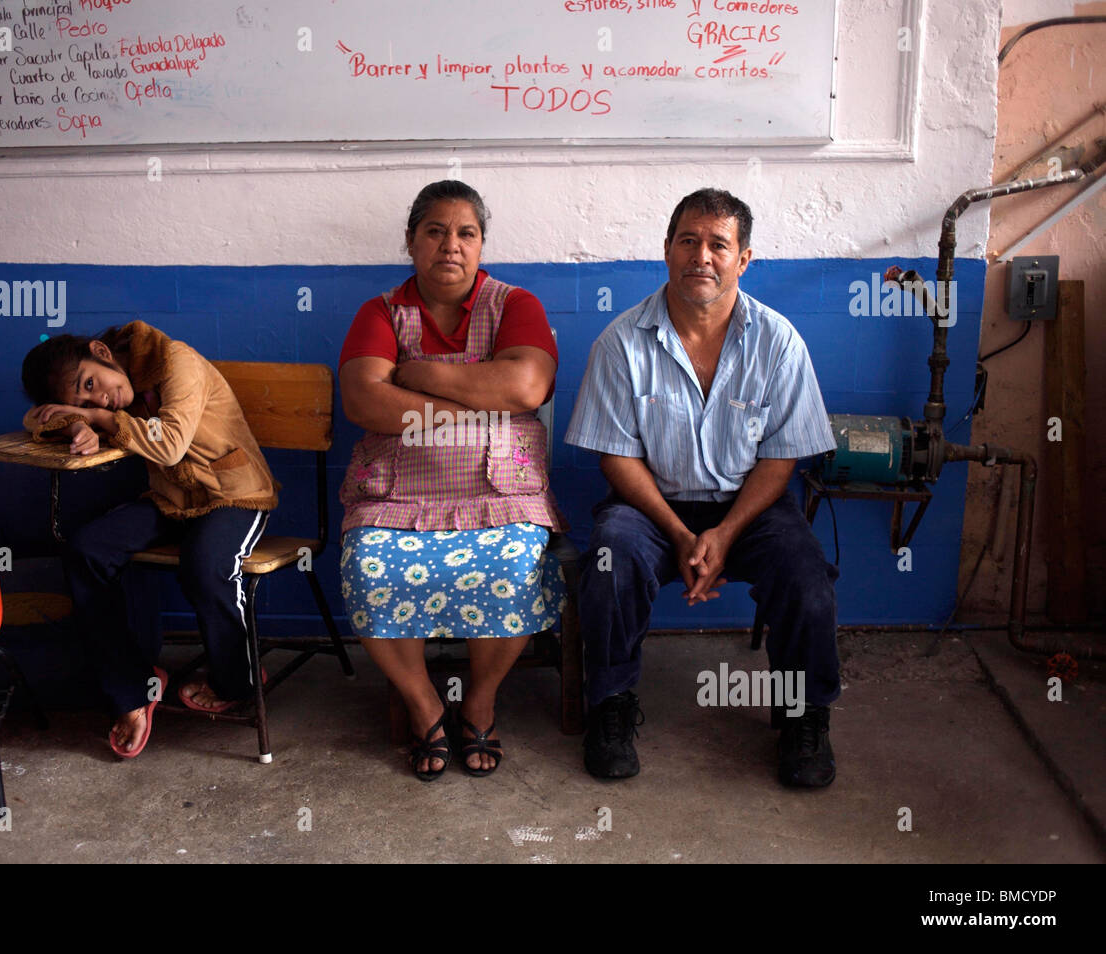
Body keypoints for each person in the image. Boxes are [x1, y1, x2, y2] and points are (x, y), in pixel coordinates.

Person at [565, 188, 839, 787]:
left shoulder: (778, 342)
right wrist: (684, 534)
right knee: (608, 562)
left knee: (805, 571)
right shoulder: (621, 342)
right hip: (651, 507)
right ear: (666, 250)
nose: (702, 256)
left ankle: (803, 715)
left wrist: (725, 532)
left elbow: (780, 458)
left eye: (719, 244)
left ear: (744, 260)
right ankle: (609, 706)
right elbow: (617, 457)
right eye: (688, 241)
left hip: (751, 508)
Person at [338, 180, 567, 780]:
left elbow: (524, 388)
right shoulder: (380, 312)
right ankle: (426, 708)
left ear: (482, 243)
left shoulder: (515, 305)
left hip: (501, 493)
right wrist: (479, 406)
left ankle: (481, 701)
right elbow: (365, 401)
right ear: (411, 241)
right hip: (397, 496)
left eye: (466, 233)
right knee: (368, 566)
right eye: (435, 231)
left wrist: (416, 376)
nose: (450, 246)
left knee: (514, 567)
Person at [20, 320, 278, 758]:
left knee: (205, 564)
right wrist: (72, 426)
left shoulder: (174, 360)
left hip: (234, 492)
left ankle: (238, 679)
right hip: (171, 498)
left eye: (90, 384)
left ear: (101, 352)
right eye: (81, 399)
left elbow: (171, 444)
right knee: (86, 548)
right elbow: (34, 417)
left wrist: (97, 418)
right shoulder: (101, 394)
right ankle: (132, 688)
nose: (98, 397)